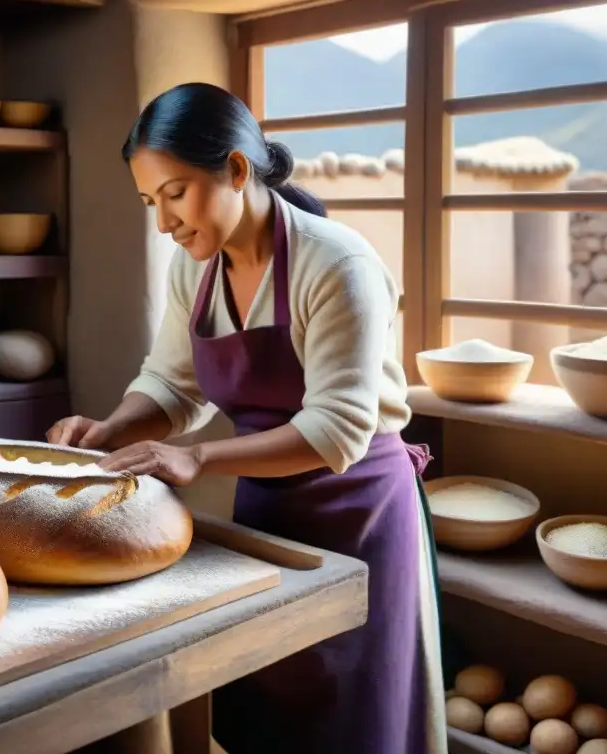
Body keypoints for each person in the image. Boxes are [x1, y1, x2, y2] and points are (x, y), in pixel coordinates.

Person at [46, 81, 446, 754]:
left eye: (175, 194)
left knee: (357, 714)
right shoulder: (192, 268)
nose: (163, 222)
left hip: (361, 510)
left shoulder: (335, 262)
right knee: (270, 703)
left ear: (236, 169)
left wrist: (199, 458)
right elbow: (173, 386)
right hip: (267, 505)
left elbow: (339, 428)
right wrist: (111, 430)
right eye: (151, 201)